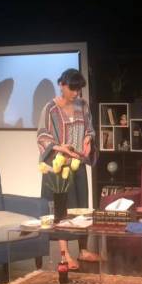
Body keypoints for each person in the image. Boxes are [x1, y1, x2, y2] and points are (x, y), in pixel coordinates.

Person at [37, 68, 99, 269]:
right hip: (59, 165)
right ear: (62, 85)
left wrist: (88, 139)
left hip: (77, 163)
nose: (76, 93)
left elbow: (89, 129)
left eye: (78, 89)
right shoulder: (50, 109)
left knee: (81, 205)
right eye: (72, 88)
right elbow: (42, 136)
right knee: (61, 208)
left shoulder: (83, 105)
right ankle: (64, 254)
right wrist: (60, 148)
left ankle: (83, 250)